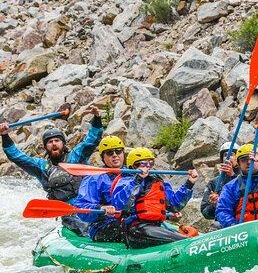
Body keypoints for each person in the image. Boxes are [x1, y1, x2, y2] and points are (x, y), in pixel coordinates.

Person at [0, 105, 103, 234]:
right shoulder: (41, 167)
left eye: (57, 140)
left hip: (89, 205)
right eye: (50, 142)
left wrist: (97, 119)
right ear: (45, 147)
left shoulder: (76, 156)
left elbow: (91, 141)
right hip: (69, 212)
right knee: (81, 226)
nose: (54, 143)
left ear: (63, 144)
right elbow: (17, 157)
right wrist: (5, 136)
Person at [111, 147, 199, 248]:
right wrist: (138, 180)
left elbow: (175, 205)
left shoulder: (158, 181)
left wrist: (189, 183)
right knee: (185, 241)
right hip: (136, 229)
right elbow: (119, 204)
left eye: (150, 163)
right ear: (133, 166)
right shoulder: (126, 181)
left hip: (156, 227)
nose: (148, 167)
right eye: (143, 163)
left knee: (192, 234)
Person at [74, 135, 126, 242]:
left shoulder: (133, 175)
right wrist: (101, 208)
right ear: (103, 157)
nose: (115, 155)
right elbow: (80, 207)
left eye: (118, 151)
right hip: (102, 224)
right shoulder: (94, 178)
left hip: (128, 220)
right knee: (123, 228)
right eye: (110, 153)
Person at [200, 142, 239, 228]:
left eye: (231, 154)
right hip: (222, 223)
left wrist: (233, 176)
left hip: (241, 220)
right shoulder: (214, 182)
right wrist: (214, 205)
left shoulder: (245, 178)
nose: (228, 158)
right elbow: (205, 212)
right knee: (214, 226)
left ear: (238, 158)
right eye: (225, 155)